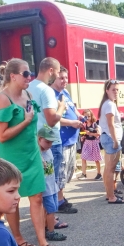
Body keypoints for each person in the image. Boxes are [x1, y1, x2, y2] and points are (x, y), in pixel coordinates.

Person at [0, 59, 58, 246]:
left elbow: (34, 124)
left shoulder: (28, 94)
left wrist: (38, 138)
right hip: (12, 157)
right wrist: (26, 121)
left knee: (36, 197)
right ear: (13, 76)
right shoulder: (3, 99)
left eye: (30, 73)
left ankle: (43, 242)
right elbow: (1, 136)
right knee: (14, 199)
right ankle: (18, 238)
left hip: (32, 153)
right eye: (26, 74)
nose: (30, 77)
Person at [28, 58, 76, 214]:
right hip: (50, 142)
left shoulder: (29, 87)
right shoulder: (46, 90)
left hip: (35, 140)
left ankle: (45, 217)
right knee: (52, 182)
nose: (56, 76)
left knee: (43, 182)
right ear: (50, 71)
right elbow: (51, 118)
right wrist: (61, 107)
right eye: (56, 72)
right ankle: (52, 219)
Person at [51, 66, 82, 207]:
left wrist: (80, 116)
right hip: (61, 140)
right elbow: (53, 118)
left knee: (69, 170)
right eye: (61, 78)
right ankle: (59, 200)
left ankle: (60, 198)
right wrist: (72, 122)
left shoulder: (65, 92)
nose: (64, 81)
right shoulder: (51, 95)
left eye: (66, 77)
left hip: (72, 139)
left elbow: (73, 109)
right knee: (61, 172)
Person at [38, 126, 67, 242]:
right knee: (50, 210)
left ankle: (47, 227)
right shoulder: (38, 153)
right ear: (39, 139)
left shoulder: (48, 150)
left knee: (51, 208)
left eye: (51, 142)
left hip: (52, 185)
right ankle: (51, 232)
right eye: (47, 142)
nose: (50, 144)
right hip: (45, 188)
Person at [99, 79, 124, 204]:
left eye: (117, 89)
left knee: (107, 168)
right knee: (111, 169)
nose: (116, 92)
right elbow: (111, 125)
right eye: (113, 89)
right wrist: (115, 140)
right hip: (111, 138)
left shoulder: (107, 103)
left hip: (107, 137)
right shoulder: (109, 105)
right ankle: (111, 197)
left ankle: (109, 193)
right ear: (107, 91)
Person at [78, 109, 102, 180]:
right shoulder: (84, 125)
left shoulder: (94, 124)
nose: (87, 118)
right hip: (87, 142)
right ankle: (84, 174)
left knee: (96, 159)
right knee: (83, 157)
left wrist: (90, 133)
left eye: (89, 116)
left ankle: (99, 174)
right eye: (85, 116)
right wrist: (83, 136)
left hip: (94, 143)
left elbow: (98, 133)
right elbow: (84, 133)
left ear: (91, 116)